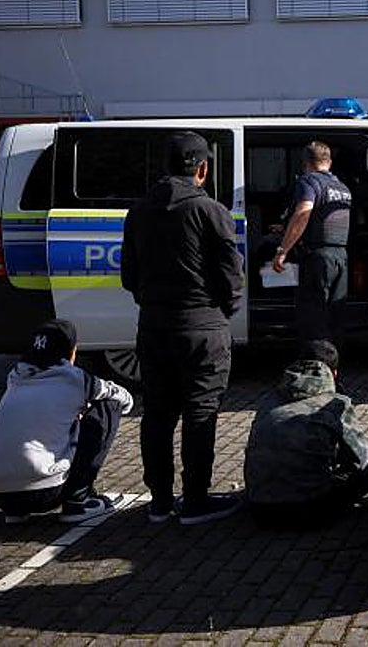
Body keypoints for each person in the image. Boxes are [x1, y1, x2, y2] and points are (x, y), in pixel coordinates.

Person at [121, 131, 244, 525]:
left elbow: (128, 276)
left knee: (157, 413)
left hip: (154, 327)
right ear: (203, 168)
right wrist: (225, 309)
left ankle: (159, 501)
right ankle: (195, 499)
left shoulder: (138, 211)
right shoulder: (211, 211)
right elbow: (231, 274)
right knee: (200, 413)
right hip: (202, 326)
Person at [0, 319, 133, 524]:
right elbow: (122, 397)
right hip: (45, 492)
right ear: (71, 351)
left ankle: (17, 512)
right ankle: (79, 500)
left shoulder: (15, 377)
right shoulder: (75, 379)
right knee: (109, 405)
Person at [243, 340, 368, 529]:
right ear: (334, 374)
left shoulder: (268, 399)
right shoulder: (336, 403)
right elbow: (360, 459)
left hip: (259, 510)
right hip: (310, 510)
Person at [272, 141, 353, 349]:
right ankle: (333, 371)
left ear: (306, 163)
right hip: (340, 257)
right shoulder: (341, 187)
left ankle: (315, 372)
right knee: (335, 317)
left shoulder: (308, 182)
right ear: (329, 162)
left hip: (318, 259)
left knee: (313, 318)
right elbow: (323, 220)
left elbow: (303, 213)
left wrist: (283, 250)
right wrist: (286, 229)